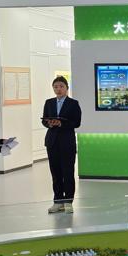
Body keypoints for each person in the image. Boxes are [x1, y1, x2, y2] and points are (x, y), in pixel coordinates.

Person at [42, 76, 81, 214]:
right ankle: (57, 202)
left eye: (61, 86)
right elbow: (44, 120)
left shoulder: (73, 103)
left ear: (66, 88)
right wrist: (49, 123)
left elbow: (77, 122)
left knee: (68, 172)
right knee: (55, 173)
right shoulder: (49, 102)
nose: (58, 89)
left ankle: (68, 202)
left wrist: (61, 123)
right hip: (52, 142)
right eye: (55, 87)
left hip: (67, 142)